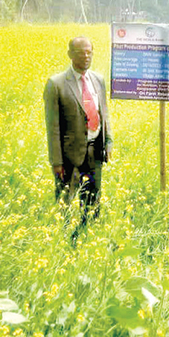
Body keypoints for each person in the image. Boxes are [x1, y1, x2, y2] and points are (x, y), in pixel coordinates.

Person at [44, 36, 113, 242]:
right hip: (68, 155)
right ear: (70, 54)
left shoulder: (98, 80)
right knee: (65, 202)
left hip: (94, 152)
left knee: (92, 201)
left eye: (89, 52)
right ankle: (63, 241)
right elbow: (53, 127)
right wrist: (56, 162)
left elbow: (104, 113)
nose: (86, 56)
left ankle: (86, 238)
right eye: (81, 52)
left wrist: (108, 141)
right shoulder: (56, 84)